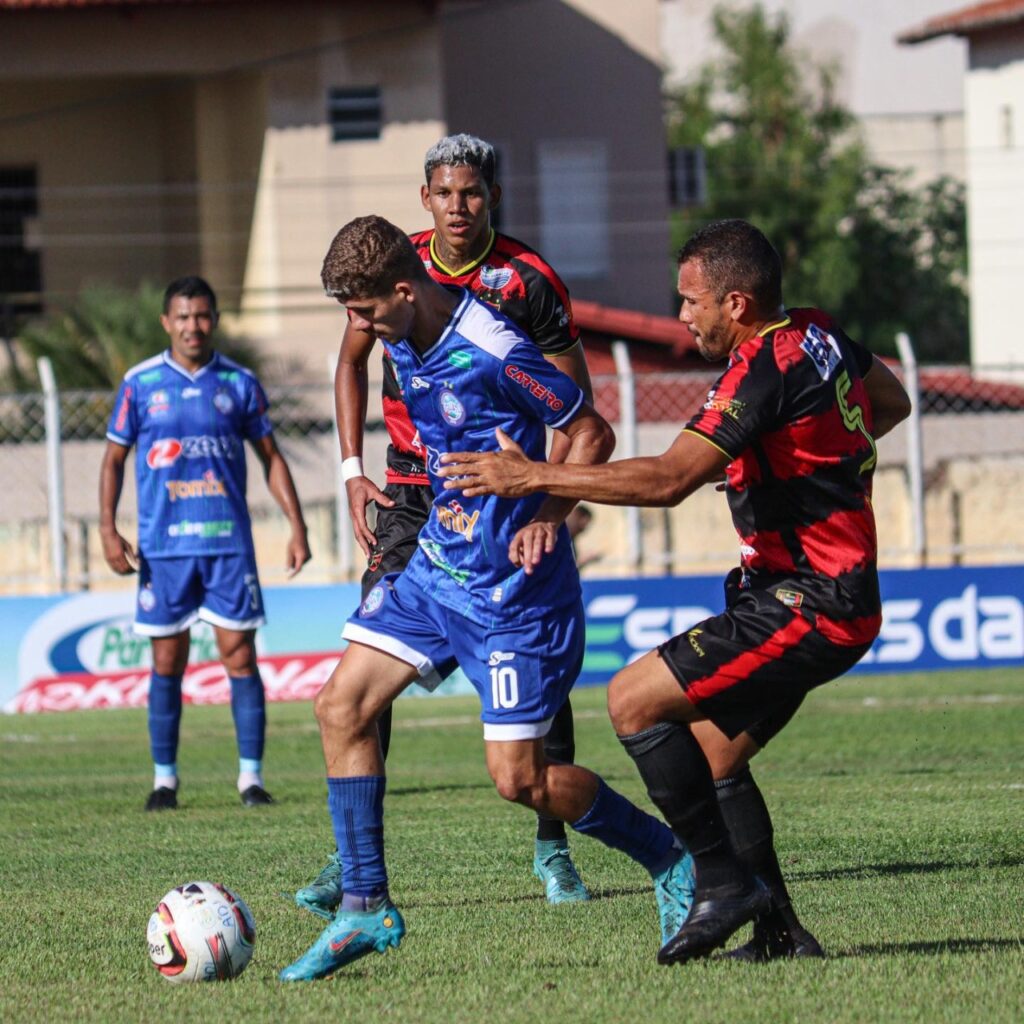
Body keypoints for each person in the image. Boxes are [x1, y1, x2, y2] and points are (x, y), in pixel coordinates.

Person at [440, 219, 912, 964]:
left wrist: (531, 476)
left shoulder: (762, 369)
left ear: (738, 303)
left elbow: (666, 480)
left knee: (631, 699)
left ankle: (720, 883)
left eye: (692, 301)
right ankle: (782, 935)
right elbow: (891, 402)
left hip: (812, 599)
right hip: (817, 591)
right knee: (713, 756)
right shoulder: (817, 333)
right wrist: (819, 463)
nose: (681, 315)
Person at [278, 215, 695, 982]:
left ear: (404, 291)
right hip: (438, 570)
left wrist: (544, 512)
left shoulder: (496, 349)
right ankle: (365, 906)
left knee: (519, 780)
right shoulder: (401, 332)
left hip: (515, 596)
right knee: (340, 708)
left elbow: (589, 432)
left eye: (364, 311)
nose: (358, 328)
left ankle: (669, 857)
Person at [295, 133, 594, 916]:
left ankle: (552, 846)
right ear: (424, 197)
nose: (459, 206)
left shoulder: (524, 282)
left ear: (491, 196)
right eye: (444, 192)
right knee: (364, 666)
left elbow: (577, 407)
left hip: (503, 490)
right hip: (411, 489)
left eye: (472, 192)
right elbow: (350, 359)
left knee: (526, 663)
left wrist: (551, 500)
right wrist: (352, 472)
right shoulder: (392, 269)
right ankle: (356, 860)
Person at [100, 276, 311, 811]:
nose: (193, 326)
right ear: (167, 322)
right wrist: (108, 527)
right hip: (164, 548)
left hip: (227, 546)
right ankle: (165, 782)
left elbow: (271, 456)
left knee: (239, 657)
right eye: (183, 317)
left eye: (202, 316)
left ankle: (250, 780)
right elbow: (113, 459)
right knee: (166, 662)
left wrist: (297, 525)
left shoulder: (238, 384)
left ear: (214, 320)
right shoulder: (141, 383)